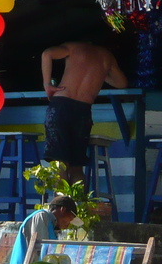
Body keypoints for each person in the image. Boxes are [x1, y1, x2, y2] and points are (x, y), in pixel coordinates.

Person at [41, 41, 127, 184]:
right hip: (83, 111)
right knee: (76, 167)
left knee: (60, 164)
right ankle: (77, 206)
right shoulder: (107, 57)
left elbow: (47, 54)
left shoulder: (74, 47)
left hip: (61, 106)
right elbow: (122, 83)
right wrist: (100, 73)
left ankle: (60, 205)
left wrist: (47, 85)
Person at [9, 195, 79, 264]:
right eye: (70, 218)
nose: (69, 224)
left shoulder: (51, 224)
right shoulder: (41, 216)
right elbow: (41, 250)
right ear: (63, 210)